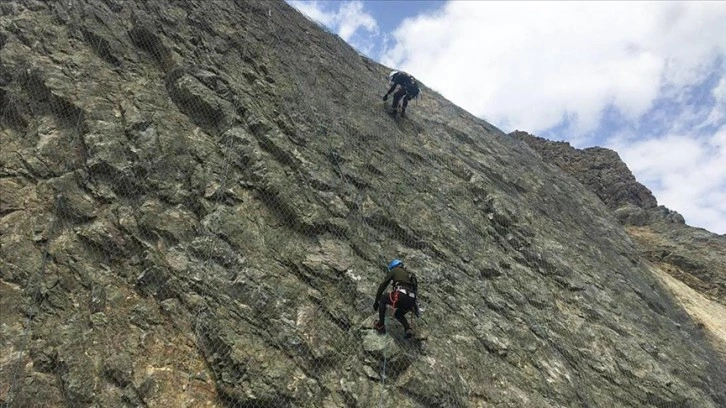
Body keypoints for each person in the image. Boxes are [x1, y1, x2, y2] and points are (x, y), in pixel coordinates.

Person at [373, 259, 420, 338]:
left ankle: (380, 325)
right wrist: (415, 307)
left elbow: (383, 285)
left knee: (383, 298)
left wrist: (376, 301)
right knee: (398, 314)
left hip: (401, 295)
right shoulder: (411, 275)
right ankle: (407, 328)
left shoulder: (394, 270)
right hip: (411, 299)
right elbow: (415, 290)